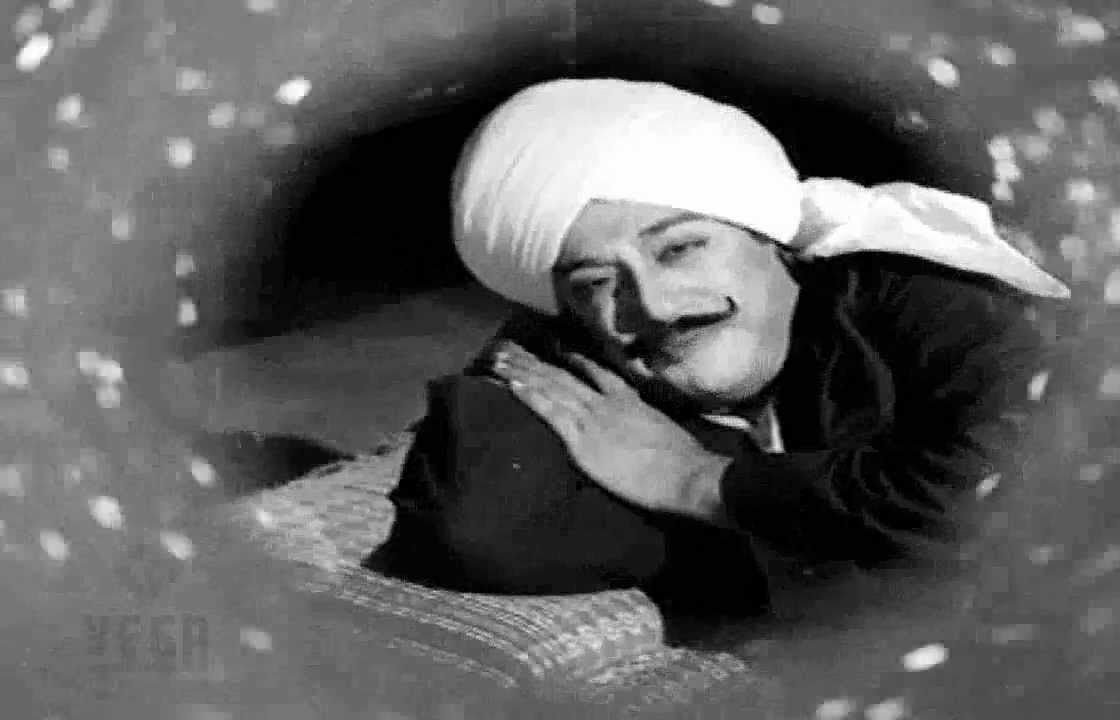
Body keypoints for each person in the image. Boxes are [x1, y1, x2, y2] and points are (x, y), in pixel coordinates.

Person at [368, 78, 1072, 617]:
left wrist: (698, 483)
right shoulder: (600, 346)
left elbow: (1012, 487)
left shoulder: (922, 292)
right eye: (596, 282)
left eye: (681, 248)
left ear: (771, 234)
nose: (653, 305)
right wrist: (830, 526)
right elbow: (474, 525)